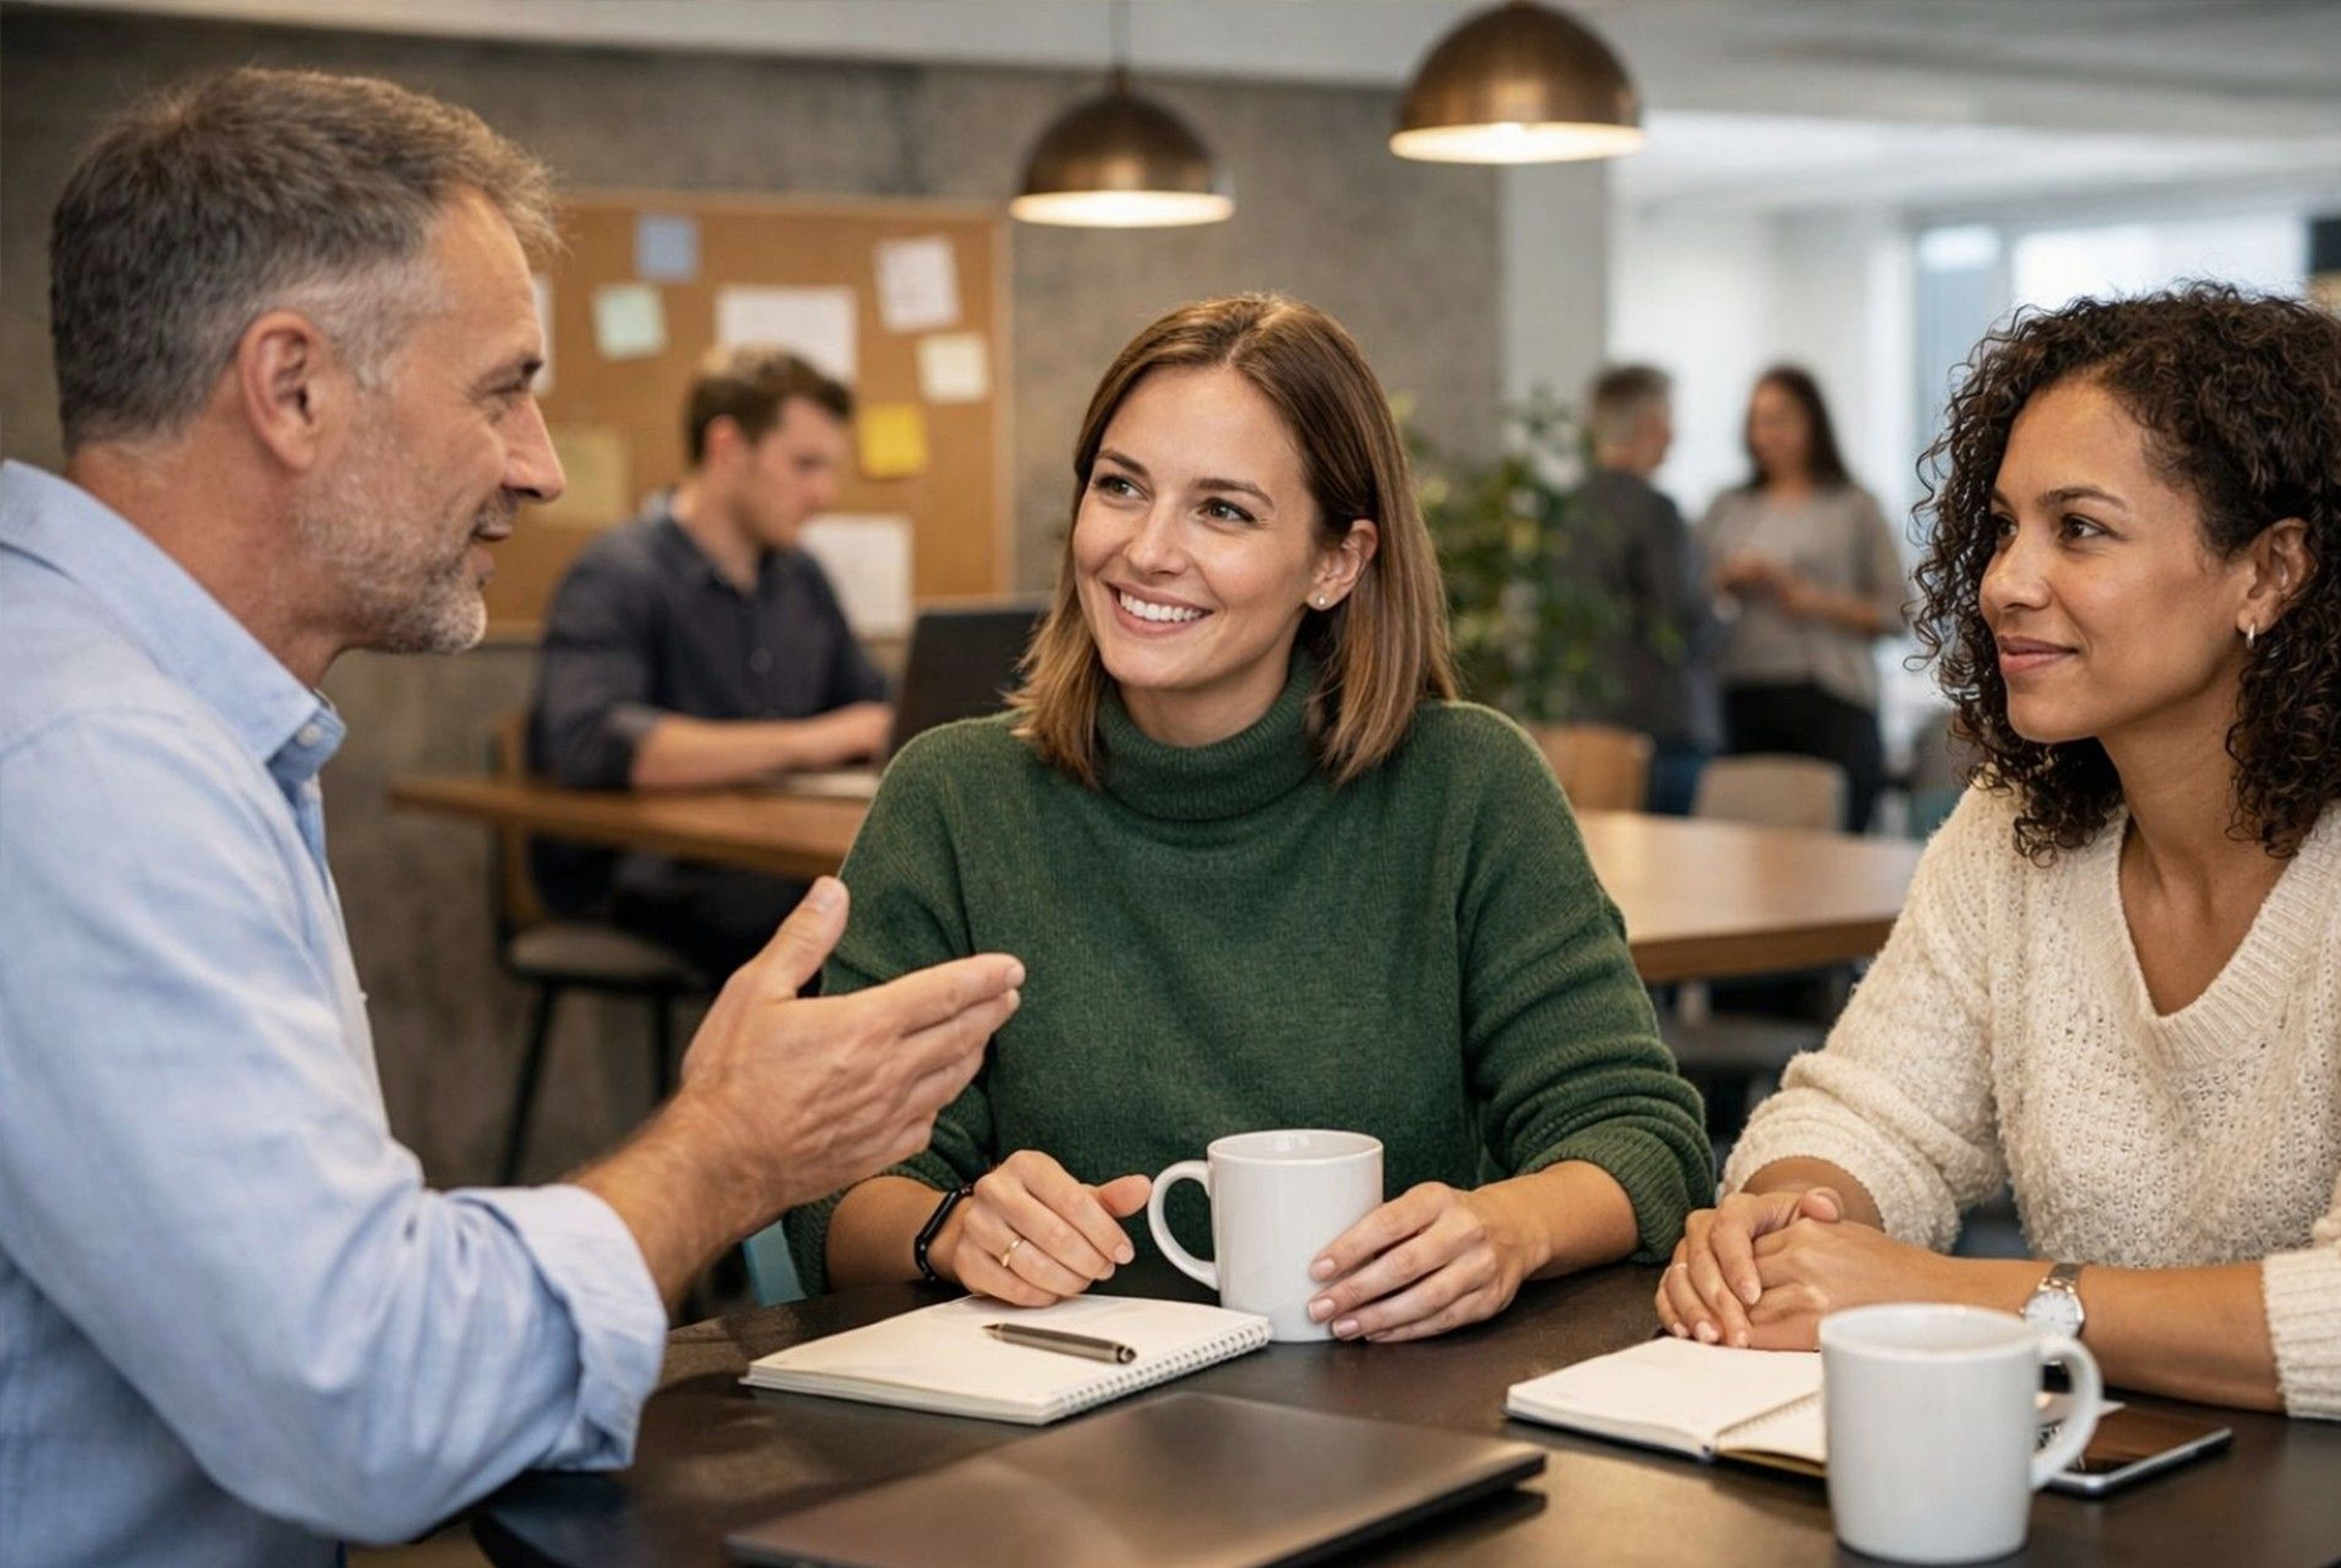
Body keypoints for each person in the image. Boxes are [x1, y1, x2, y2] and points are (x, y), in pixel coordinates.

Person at [0, 69, 1024, 1568]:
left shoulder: (160, 718)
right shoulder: (87, 774)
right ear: (292, 388)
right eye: (502, 390)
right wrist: (726, 1148)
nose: (542, 465)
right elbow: (376, 1401)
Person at [1660, 287, 2341, 1568]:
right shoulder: (2017, 829)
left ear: (2269, 573)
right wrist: (1786, 1222)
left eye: (2081, 530)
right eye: (2002, 525)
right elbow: (1868, 1109)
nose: (2004, 579)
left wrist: (1959, 1296)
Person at [784, 293, 1713, 1341]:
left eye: (1222, 510)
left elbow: (1639, 1136)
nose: (1146, 549)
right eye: (1120, 487)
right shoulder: (952, 799)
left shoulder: (1467, 786)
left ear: (1337, 561)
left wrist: (1506, 1228)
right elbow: (837, 1187)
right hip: (1054, 1433)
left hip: (1393, 1429)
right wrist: (948, 1229)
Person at [530, 345, 893, 982]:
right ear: (727, 447)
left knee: (917, 910)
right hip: (651, 873)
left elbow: (874, 706)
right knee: (844, 934)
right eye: (805, 464)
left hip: (767, 861)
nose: (823, 493)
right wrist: (813, 741)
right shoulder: (617, 572)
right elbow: (592, 741)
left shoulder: (801, 578)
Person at [1697, 365, 1909, 830]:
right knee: (1745, 847)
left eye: (1780, 418)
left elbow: (1899, 612)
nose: (1766, 433)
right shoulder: (1729, 507)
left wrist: (1811, 600)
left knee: (1833, 850)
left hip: (1830, 696)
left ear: (1813, 422)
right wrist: (1728, 579)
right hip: (1744, 695)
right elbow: (1689, 599)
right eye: (1757, 420)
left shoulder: (1854, 506)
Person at [1559, 363, 1723, 814]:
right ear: (1651, 421)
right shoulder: (1655, 510)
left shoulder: (1566, 508)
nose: (1675, 433)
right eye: (1670, 416)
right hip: (1660, 729)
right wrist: (1723, 605)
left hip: (1585, 727)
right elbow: (1682, 623)